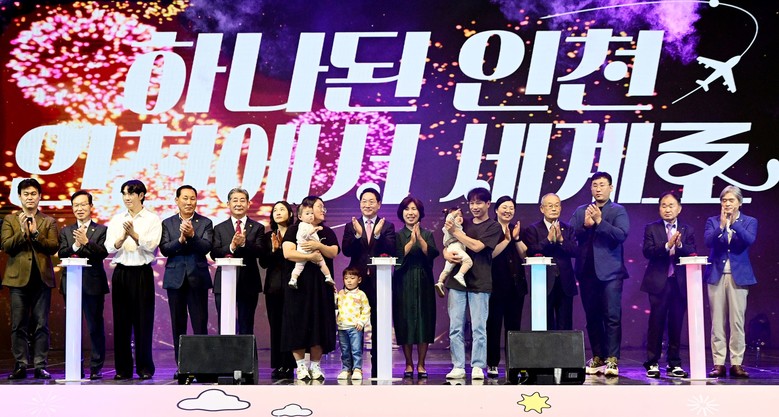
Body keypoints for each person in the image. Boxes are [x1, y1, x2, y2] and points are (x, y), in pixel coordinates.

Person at [570, 171, 629, 377]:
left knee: (612, 316)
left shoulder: (618, 210)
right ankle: (598, 356)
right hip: (586, 272)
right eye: (595, 185)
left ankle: (612, 358)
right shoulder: (581, 210)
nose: (598, 189)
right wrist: (586, 225)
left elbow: (621, 235)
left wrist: (599, 221)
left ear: (610, 188)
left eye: (602, 185)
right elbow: (570, 235)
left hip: (611, 272)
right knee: (592, 316)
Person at [1, 178, 59, 380]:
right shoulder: (10, 220)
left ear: (40, 196)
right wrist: (22, 232)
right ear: (19, 197)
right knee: (18, 325)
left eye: (33, 194)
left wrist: (35, 234)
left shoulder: (49, 221)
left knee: (41, 324)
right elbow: (6, 246)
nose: (30, 197)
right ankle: (20, 365)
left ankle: (40, 365)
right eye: (26, 194)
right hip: (17, 281)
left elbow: (53, 247)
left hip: (42, 280)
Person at [443, 187, 503, 380]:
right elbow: (448, 243)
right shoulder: (463, 222)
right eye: (472, 203)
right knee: (456, 327)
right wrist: (446, 253)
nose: (475, 207)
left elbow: (476, 246)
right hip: (457, 282)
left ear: (488, 204)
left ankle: (478, 365)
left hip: (480, 281)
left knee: (479, 327)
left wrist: (456, 232)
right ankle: (458, 366)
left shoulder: (493, 227)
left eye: (479, 203)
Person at [105, 179, 162, 379]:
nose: (127, 198)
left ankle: (145, 368)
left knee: (143, 321)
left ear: (141, 195)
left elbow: (152, 245)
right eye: (124, 194)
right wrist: (122, 237)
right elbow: (108, 247)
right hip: (121, 272)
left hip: (142, 273)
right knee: (121, 322)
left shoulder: (152, 219)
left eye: (130, 193)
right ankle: (123, 369)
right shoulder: (116, 219)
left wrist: (135, 235)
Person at [282, 195, 339, 381]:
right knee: (298, 323)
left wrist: (318, 245)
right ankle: (301, 366)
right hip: (299, 286)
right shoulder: (294, 230)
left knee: (319, 324)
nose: (323, 210)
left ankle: (315, 366)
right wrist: (310, 257)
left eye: (323, 207)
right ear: (307, 209)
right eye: (319, 206)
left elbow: (333, 252)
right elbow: (288, 253)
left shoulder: (326, 231)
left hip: (321, 286)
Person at [641, 190, 696, 378]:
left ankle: (674, 363)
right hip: (658, 282)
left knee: (676, 323)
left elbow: (692, 250)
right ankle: (652, 362)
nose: (667, 209)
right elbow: (647, 252)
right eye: (663, 206)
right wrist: (667, 245)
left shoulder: (687, 229)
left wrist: (679, 246)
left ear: (679, 208)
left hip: (679, 283)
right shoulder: (651, 228)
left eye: (671, 205)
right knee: (656, 322)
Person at [342, 187, 396, 378]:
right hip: (356, 281)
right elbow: (346, 251)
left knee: (378, 323)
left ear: (379, 204)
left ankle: (377, 366)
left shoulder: (387, 226)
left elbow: (392, 249)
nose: (367, 205)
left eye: (371, 201)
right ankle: (351, 366)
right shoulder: (352, 226)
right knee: (352, 324)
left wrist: (377, 235)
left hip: (378, 282)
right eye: (364, 201)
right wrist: (358, 235)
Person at [159, 185, 214, 371]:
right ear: (177, 200)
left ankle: (202, 366)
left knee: (200, 324)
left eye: (192, 198)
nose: (189, 202)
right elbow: (165, 249)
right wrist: (181, 240)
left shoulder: (205, 222)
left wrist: (192, 236)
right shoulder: (168, 223)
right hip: (175, 279)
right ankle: (182, 366)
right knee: (178, 325)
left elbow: (206, 247)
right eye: (185, 198)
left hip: (197, 278)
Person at [704, 185, 757, 379]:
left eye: (731, 200)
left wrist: (733, 223)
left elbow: (749, 240)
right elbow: (708, 242)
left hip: (739, 276)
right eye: (724, 200)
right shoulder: (713, 221)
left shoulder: (749, 221)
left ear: (739, 203)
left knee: (737, 321)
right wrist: (721, 226)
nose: (727, 204)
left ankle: (736, 363)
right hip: (716, 275)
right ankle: (718, 363)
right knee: (717, 321)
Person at [57, 190, 110, 380]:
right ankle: (75, 366)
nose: (79, 208)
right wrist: (76, 246)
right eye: (76, 205)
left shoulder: (101, 230)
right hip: (71, 284)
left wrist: (86, 242)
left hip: (93, 284)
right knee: (73, 327)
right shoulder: (66, 231)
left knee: (95, 326)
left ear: (91, 206)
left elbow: (102, 253)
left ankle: (96, 367)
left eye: (83, 204)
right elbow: (62, 253)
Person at [392, 196, 439, 379]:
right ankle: (408, 364)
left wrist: (419, 238)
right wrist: (411, 242)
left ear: (420, 213)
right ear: (402, 213)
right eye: (407, 209)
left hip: (423, 281)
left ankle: (421, 364)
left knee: (423, 321)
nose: (410, 213)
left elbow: (432, 254)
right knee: (405, 320)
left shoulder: (427, 234)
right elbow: (396, 258)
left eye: (414, 209)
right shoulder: (396, 235)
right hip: (403, 281)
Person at [211, 187, 266, 335]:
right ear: (228, 204)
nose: (238, 204)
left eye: (242, 200)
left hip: (248, 282)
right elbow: (214, 253)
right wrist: (232, 246)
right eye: (234, 200)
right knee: (225, 325)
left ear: (248, 204)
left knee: (246, 325)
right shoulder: (219, 228)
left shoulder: (258, 228)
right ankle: (225, 351)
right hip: (224, 282)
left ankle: (246, 351)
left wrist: (244, 243)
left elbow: (260, 251)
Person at [485, 196, 527, 379]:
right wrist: (506, 240)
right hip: (494, 286)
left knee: (514, 328)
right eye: (504, 207)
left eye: (511, 208)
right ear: (496, 210)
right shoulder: (490, 229)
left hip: (515, 287)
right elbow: (489, 255)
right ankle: (492, 363)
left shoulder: (517, 229)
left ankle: (514, 364)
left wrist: (516, 239)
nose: (508, 211)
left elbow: (525, 255)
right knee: (493, 326)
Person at [522, 193, 577, 331]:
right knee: (545, 325)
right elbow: (531, 251)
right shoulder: (533, 229)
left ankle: (564, 346)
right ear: (542, 209)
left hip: (565, 283)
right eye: (550, 205)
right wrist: (547, 240)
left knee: (565, 325)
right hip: (542, 283)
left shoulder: (568, 228)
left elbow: (575, 251)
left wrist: (561, 240)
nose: (554, 209)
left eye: (557, 205)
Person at [259, 201, 297, 379]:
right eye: (275, 210)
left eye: (282, 209)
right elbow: (263, 263)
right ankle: (278, 364)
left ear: (290, 214)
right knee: (275, 326)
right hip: (273, 288)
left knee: (291, 326)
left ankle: (290, 364)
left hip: (293, 286)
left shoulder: (296, 234)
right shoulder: (268, 236)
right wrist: (274, 250)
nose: (278, 212)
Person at [336, 267, 371, 381]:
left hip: (355, 327)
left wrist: (361, 322)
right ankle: (346, 369)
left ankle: (357, 369)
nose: (349, 281)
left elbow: (366, 309)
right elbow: (336, 307)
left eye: (352, 278)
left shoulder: (361, 294)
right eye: (346, 278)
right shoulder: (341, 293)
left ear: (359, 280)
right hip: (342, 327)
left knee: (356, 349)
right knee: (344, 350)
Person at [288, 205, 334, 289]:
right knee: (302, 266)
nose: (310, 216)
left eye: (312, 213)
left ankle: (328, 277)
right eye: (307, 214)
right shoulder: (302, 225)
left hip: (311, 249)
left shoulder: (309, 225)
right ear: (300, 217)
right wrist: (313, 230)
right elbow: (304, 235)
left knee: (318, 264)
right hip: (305, 250)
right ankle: (293, 279)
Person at [435, 208, 470, 296]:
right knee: (468, 262)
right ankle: (460, 275)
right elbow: (449, 218)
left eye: (461, 216)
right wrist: (453, 215)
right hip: (456, 247)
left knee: (447, 270)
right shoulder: (452, 226)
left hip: (451, 249)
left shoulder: (459, 227)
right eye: (456, 216)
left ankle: (440, 282)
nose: (459, 217)